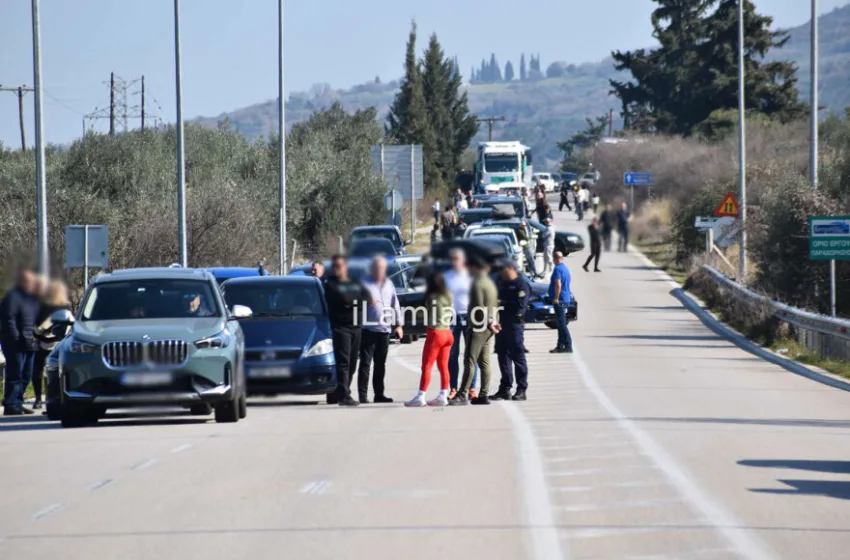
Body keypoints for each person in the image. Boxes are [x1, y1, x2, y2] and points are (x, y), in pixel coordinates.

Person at [450, 257, 500, 406]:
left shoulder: (477, 284)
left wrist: (489, 322)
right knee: (484, 362)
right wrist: (494, 321)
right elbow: (494, 305)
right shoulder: (490, 283)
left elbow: (479, 307)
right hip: (489, 327)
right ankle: (483, 394)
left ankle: (462, 394)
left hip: (479, 327)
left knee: (469, 361)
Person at [324, 255, 370, 407]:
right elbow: (343, 300)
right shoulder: (331, 284)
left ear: (346, 267)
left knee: (352, 364)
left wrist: (354, 303)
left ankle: (341, 392)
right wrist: (353, 302)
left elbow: (367, 298)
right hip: (341, 328)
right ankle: (344, 395)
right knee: (343, 363)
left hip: (356, 327)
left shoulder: (355, 282)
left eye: (341, 266)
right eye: (335, 266)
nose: (338, 269)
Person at [358, 256, 403, 404]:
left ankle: (379, 394)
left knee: (380, 364)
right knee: (365, 363)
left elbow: (395, 304)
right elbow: (353, 302)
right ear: (372, 269)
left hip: (384, 330)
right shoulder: (364, 283)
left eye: (383, 268)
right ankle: (363, 396)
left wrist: (398, 325)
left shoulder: (389, 284)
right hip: (368, 329)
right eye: (377, 268)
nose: (380, 270)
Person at [405, 271, 454, 407]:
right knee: (444, 366)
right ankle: (443, 394)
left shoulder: (431, 297)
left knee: (427, 366)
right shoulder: (449, 295)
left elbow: (423, 312)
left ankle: (421, 396)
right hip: (447, 332)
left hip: (435, 333)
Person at [0, 268, 40, 415]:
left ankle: (18, 401)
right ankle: (11, 404)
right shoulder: (12, 297)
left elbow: (35, 320)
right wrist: (17, 338)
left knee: (27, 375)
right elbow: (8, 321)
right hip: (15, 344)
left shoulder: (30, 299)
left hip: (30, 343)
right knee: (15, 374)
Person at [492, 260, 530, 401]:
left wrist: (503, 303)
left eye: (503, 269)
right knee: (503, 355)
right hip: (501, 324)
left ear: (510, 269)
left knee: (517, 356)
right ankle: (505, 388)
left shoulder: (521, 285)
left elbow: (520, 307)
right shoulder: (501, 283)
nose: (500, 272)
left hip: (514, 325)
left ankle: (521, 389)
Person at [444, 249, 479, 399]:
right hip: (452, 318)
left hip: (469, 316)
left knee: (471, 355)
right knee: (452, 355)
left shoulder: (470, 276)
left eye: (457, 259)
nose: (455, 262)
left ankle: (472, 388)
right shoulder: (447, 277)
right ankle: (453, 388)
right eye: (452, 259)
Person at [32, 280, 72, 409]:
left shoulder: (64, 306)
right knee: (38, 371)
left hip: (57, 342)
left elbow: (68, 322)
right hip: (42, 340)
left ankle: (51, 397)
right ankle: (39, 398)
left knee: (52, 371)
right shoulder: (40, 305)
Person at [548, 251, 573, 354]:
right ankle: (560, 345)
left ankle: (567, 345)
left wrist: (556, 298)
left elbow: (558, 284)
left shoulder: (558, 269)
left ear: (555, 259)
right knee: (560, 323)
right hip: (565, 298)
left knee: (562, 324)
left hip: (560, 300)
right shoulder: (565, 268)